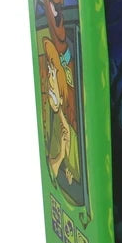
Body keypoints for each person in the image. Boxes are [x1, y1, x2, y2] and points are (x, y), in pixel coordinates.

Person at [43, 37, 80, 183]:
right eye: (49, 72)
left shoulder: (76, 130)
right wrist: (60, 157)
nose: (49, 81)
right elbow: (51, 171)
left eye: (52, 73)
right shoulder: (57, 129)